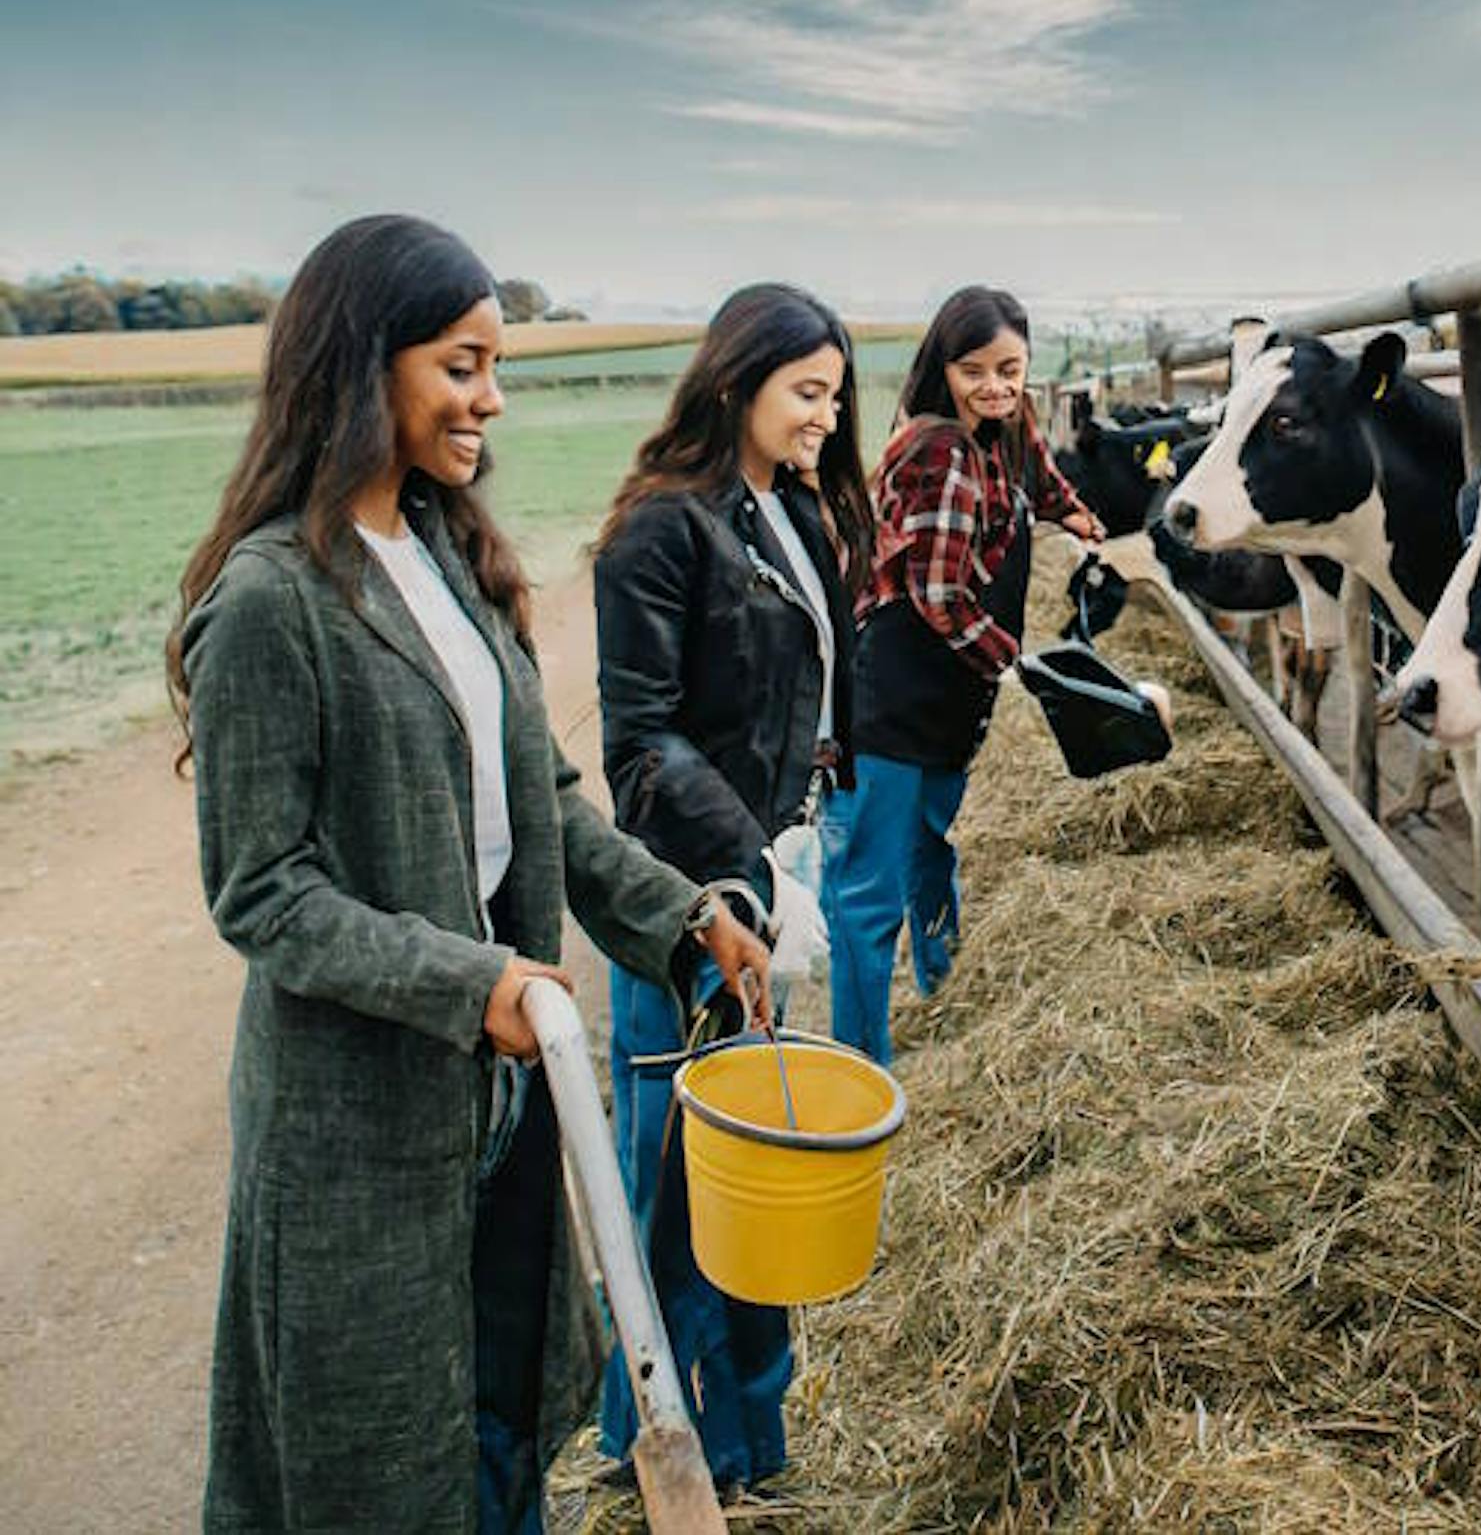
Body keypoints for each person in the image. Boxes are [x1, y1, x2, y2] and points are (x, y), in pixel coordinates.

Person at [168, 215, 771, 1534]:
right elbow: (265, 891)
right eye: (461, 364)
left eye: (493, 365)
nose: (490, 398)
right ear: (360, 365)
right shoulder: (273, 600)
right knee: (382, 1471)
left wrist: (683, 919)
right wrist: (475, 982)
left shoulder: (446, 558)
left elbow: (545, 806)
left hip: (499, 1111)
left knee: (500, 1424)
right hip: (362, 1135)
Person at [590, 283, 873, 1498]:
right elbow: (640, 741)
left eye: (836, 394)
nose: (827, 414)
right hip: (691, 895)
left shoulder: (784, 506)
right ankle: (652, 1449)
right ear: (734, 382)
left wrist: (813, 818)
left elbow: (806, 682)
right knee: (676, 1177)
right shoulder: (666, 527)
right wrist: (740, 872)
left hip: (775, 871)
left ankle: (754, 1448)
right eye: (806, 392)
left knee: (749, 1162)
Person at [822, 286, 1103, 1067]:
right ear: (942, 370)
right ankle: (862, 1064)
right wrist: (1011, 664)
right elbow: (938, 595)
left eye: (1010, 368)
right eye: (973, 370)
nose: (995, 386)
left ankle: (941, 987)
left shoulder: (1008, 425)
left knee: (930, 844)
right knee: (869, 895)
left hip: (950, 692)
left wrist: (1076, 514)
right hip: (893, 693)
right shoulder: (939, 450)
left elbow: (1040, 480)